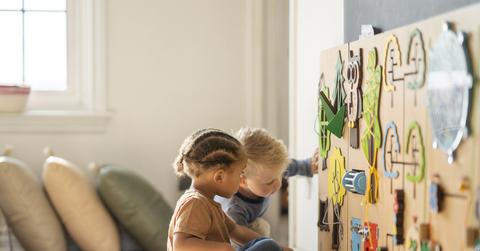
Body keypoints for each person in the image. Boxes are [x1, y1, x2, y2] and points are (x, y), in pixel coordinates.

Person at [168, 128, 292, 251]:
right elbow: (180, 245)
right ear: (220, 176)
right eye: (240, 174)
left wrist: (278, 248)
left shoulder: (209, 203)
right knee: (269, 247)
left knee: (267, 244)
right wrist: (223, 248)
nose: (241, 181)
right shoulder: (194, 203)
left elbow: (235, 230)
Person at [216, 127, 318, 237]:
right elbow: (239, 239)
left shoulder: (268, 172)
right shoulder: (234, 210)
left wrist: (308, 166)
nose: (278, 184)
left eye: (280, 175)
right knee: (261, 231)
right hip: (227, 235)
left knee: (262, 226)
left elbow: (287, 166)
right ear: (242, 181)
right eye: (269, 182)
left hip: (251, 218)